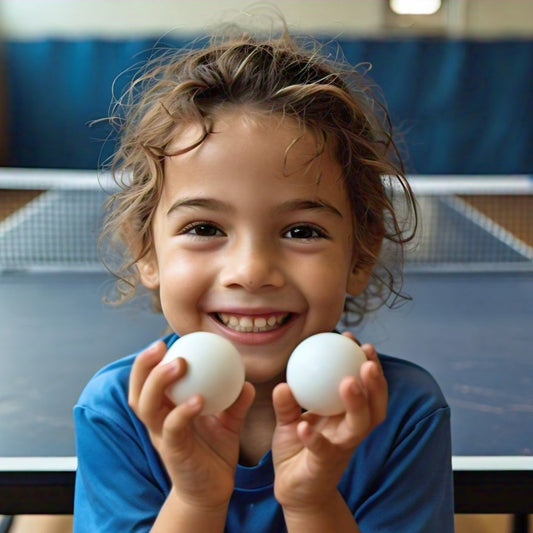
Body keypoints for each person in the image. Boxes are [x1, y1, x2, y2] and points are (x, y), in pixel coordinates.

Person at [73, 16, 454, 533]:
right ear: (147, 253)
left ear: (360, 257)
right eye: (205, 226)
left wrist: (312, 502)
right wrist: (196, 500)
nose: (251, 272)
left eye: (301, 231)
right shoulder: (118, 410)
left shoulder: (405, 413)